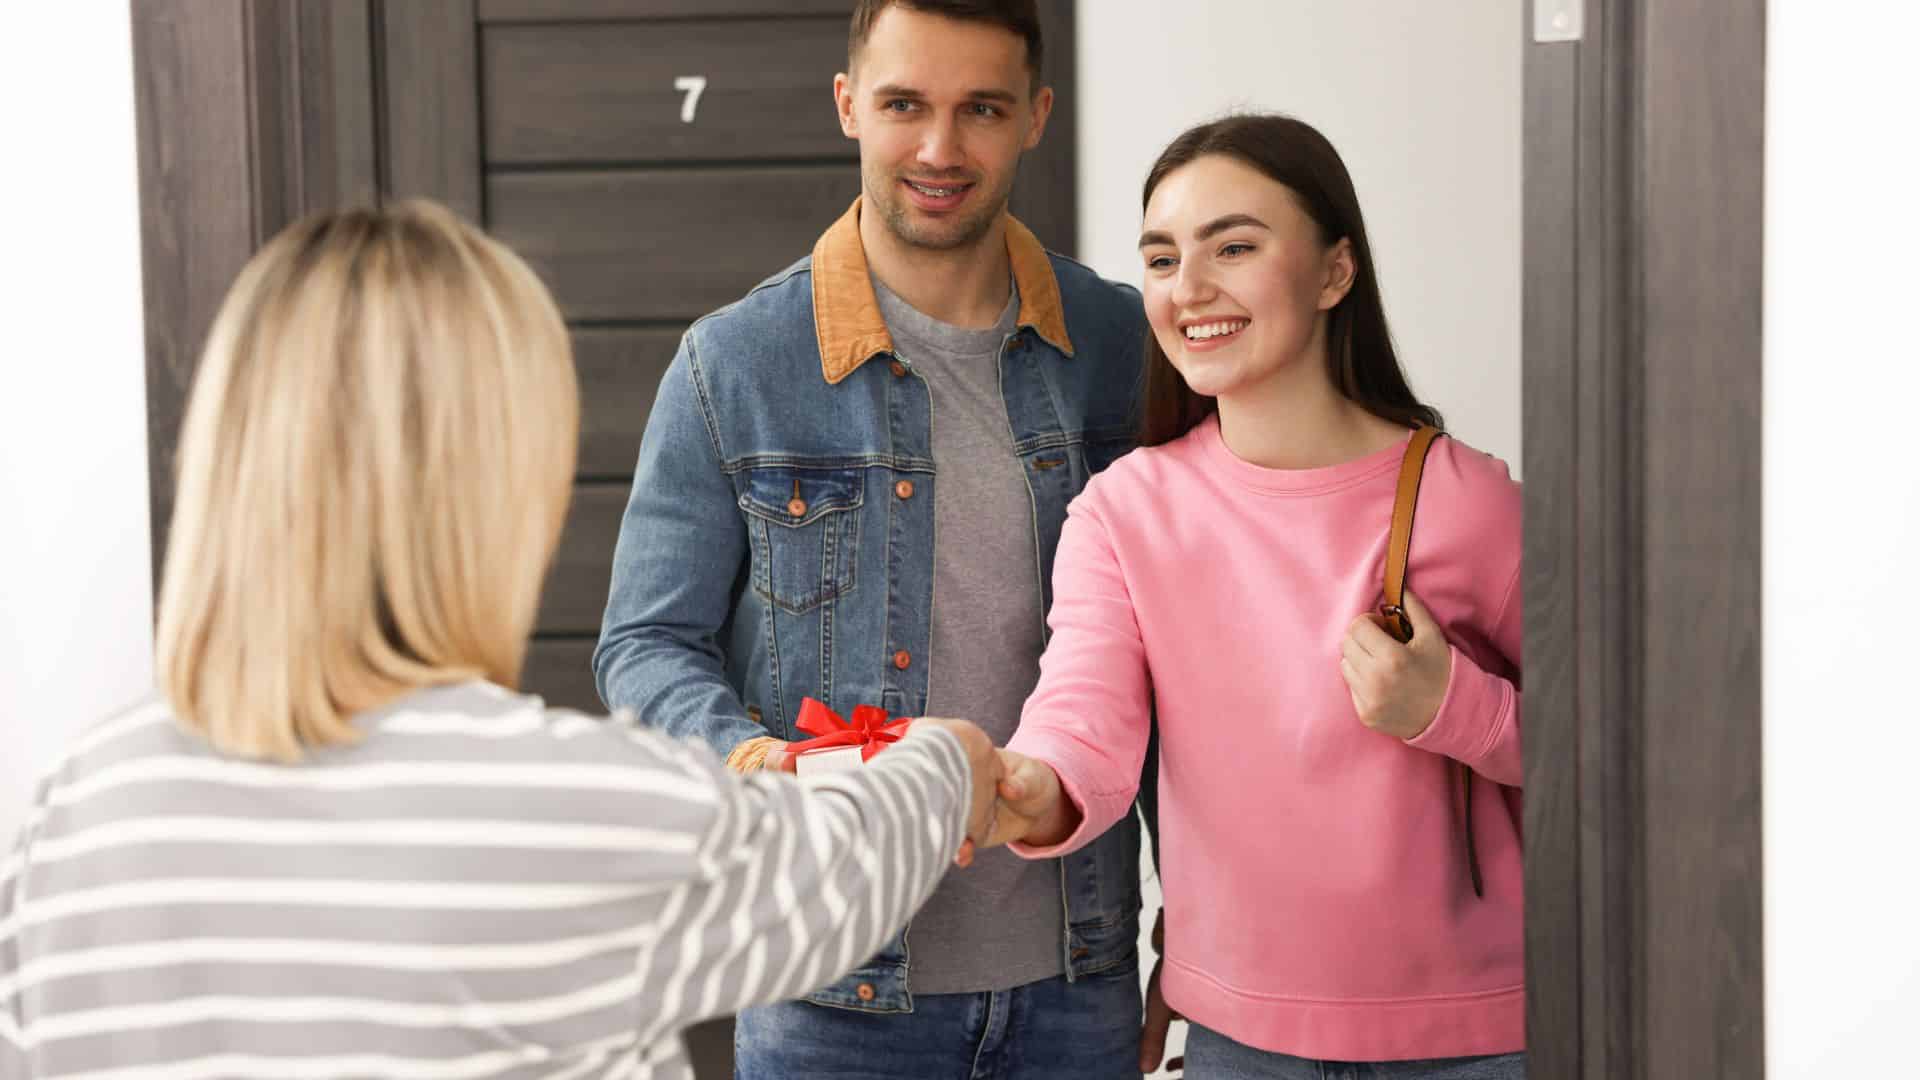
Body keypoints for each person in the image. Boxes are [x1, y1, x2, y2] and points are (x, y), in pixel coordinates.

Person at [0, 201, 1007, 1080]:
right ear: (488, 488)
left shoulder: (77, 817)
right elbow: (839, 869)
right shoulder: (568, 808)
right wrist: (946, 761)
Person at [591, 1, 1150, 1075]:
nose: (941, 150)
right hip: (826, 991)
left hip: (1079, 985)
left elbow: (1183, 663)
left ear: (1035, 116)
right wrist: (772, 769)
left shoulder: (1120, 346)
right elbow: (643, 649)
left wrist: (1203, 942)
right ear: (850, 105)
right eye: (905, 105)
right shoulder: (736, 363)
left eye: (980, 109)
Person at [991, 114, 1527, 1079]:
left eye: (1233, 247)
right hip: (1240, 1042)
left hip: (1477, 1040)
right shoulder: (1125, 513)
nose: (1188, 289)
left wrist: (1455, 709)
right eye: (1161, 258)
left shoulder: (1470, 502)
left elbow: (1619, 764)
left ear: (1334, 272)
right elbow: (1082, 715)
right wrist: (1022, 789)